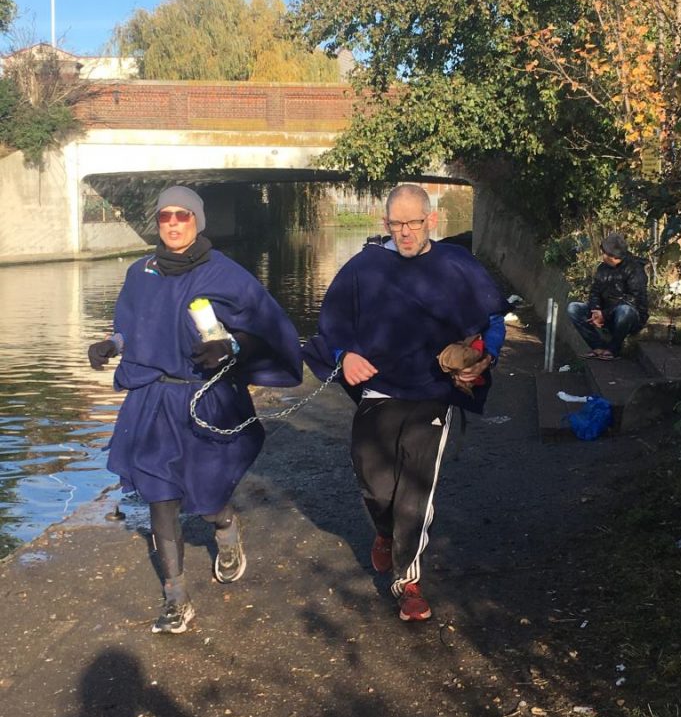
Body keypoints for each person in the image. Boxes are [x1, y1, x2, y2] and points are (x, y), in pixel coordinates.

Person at [87, 185, 302, 634]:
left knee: (205, 497)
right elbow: (132, 328)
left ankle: (223, 527)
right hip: (152, 399)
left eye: (182, 216)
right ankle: (176, 599)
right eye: (165, 216)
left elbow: (264, 329)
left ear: (197, 220)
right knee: (159, 497)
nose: (172, 224)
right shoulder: (140, 272)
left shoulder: (225, 275)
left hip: (207, 398)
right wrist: (113, 344)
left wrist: (232, 347)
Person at [303, 183, 508, 623]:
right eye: (396, 224)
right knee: (375, 485)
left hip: (434, 392)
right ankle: (383, 531)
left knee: (415, 490)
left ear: (430, 221)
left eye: (413, 223)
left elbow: (492, 319)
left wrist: (485, 356)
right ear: (386, 224)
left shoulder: (457, 265)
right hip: (380, 389)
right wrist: (344, 355)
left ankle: (407, 581)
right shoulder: (364, 268)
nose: (405, 233)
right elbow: (332, 325)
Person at [566, 232, 649, 360]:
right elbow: (595, 291)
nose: (603, 256)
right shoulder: (603, 268)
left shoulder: (635, 269)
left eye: (605, 253)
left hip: (629, 316)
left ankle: (613, 349)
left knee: (625, 311)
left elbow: (633, 300)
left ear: (613, 256)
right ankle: (597, 347)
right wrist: (596, 310)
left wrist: (604, 314)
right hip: (604, 313)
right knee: (573, 308)